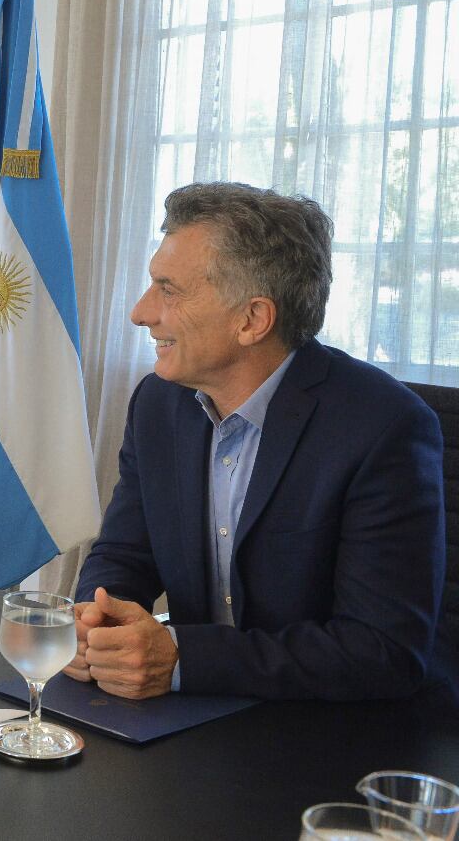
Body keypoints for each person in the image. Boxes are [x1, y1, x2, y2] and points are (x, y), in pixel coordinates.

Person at [67, 182, 446, 701]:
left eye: (168, 290)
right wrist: (97, 620)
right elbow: (124, 553)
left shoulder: (383, 427)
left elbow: (381, 651)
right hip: (189, 725)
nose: (141, 312)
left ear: (252, 319)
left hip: (322, 740)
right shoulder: (159, 402)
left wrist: (181, 660)